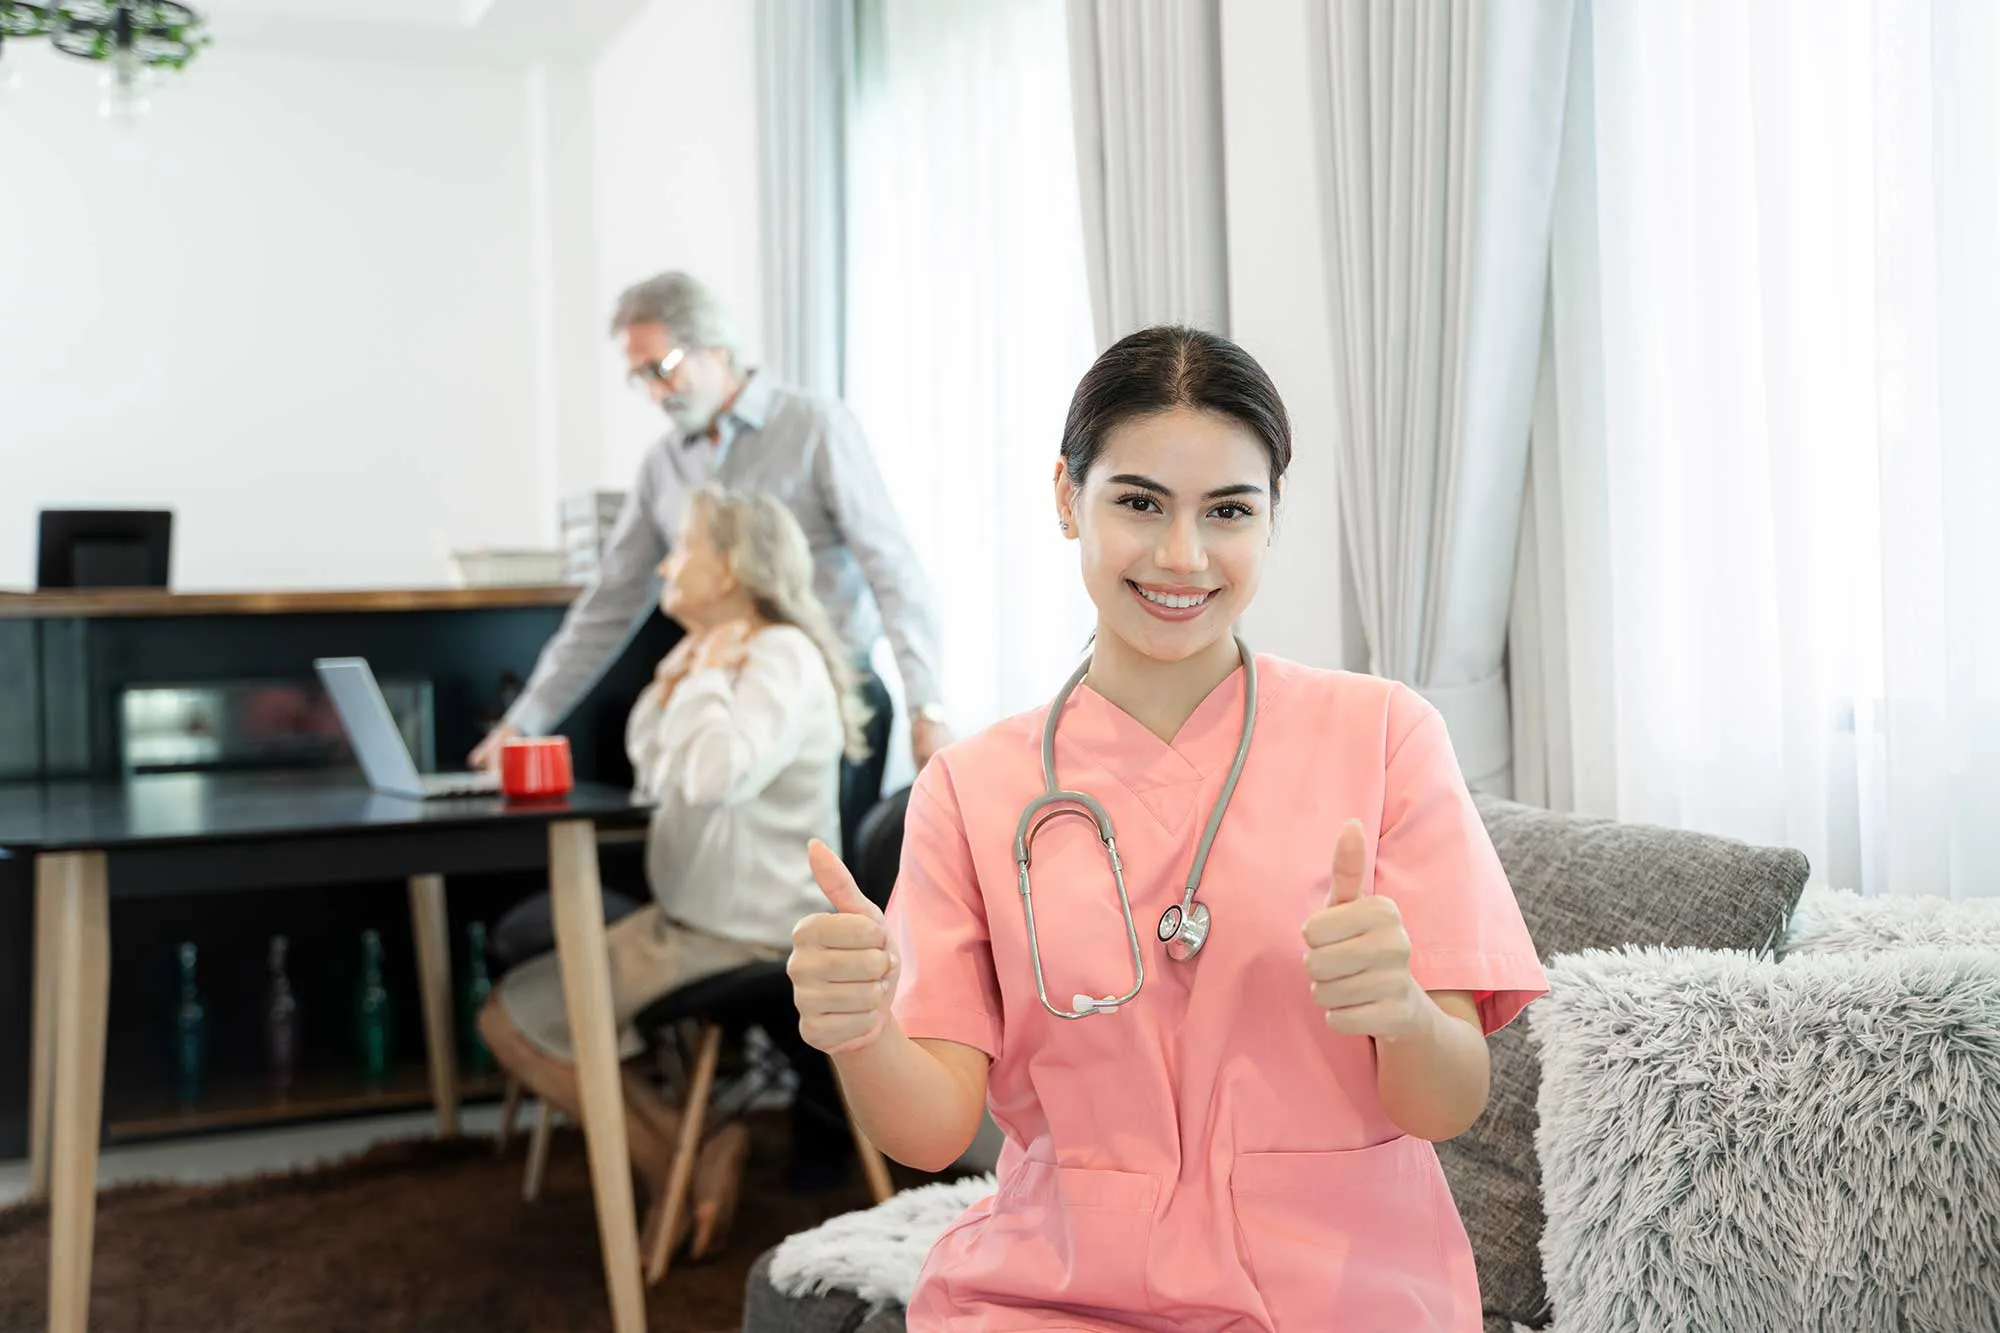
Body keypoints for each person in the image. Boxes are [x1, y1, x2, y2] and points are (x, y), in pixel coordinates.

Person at [784, 326, 1549, 1330]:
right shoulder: (971, 787)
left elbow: (1446, 1102)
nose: (1182, 556)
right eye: (1138, 502)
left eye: (1227, 510)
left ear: (1271, 519)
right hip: (1054, 1287)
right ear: (1067, 497)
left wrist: (1402, 1012)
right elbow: (928, 1132)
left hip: (1337, 1287)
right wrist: (860, 1031)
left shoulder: (1383, 735)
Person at [479, 485, 867, 1259]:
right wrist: (690, 678)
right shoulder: (717, 655)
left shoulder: (778, 656)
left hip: (746, 935)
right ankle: (696, 1151)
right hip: (691, 921)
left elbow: (712, 777)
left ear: (727, 567)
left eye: (682, 547)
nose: (665, 562)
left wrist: (708, 679)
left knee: (512, 1025)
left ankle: (674, 1163)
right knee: (513, 1019)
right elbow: (656, 772)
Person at [471, 271, 949, 848]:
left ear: (716, 348)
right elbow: (608, 605)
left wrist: (929, 705)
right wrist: (523, 723)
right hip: (732, 713)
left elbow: (891, 570)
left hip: (831, 701)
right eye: (638, 377)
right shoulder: (663, 468)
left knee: (836, 900)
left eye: (660, 367)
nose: (654, 392)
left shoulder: (814, 428)